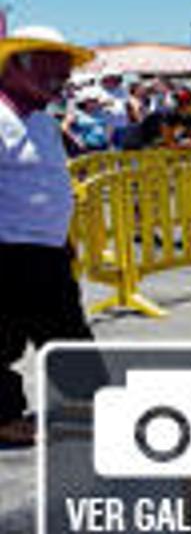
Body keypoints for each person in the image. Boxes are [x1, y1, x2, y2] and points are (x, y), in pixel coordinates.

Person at [0, 26, 98, 446]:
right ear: (15, 66)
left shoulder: (43, 121)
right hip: (5, 249)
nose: (60, 78)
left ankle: (88, 402)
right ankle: (2, 417)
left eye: (63, 70)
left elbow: (49, 180)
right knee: (0, 339)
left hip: (48, 247)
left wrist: (64, 236)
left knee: (67, 329)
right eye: (49, 67)